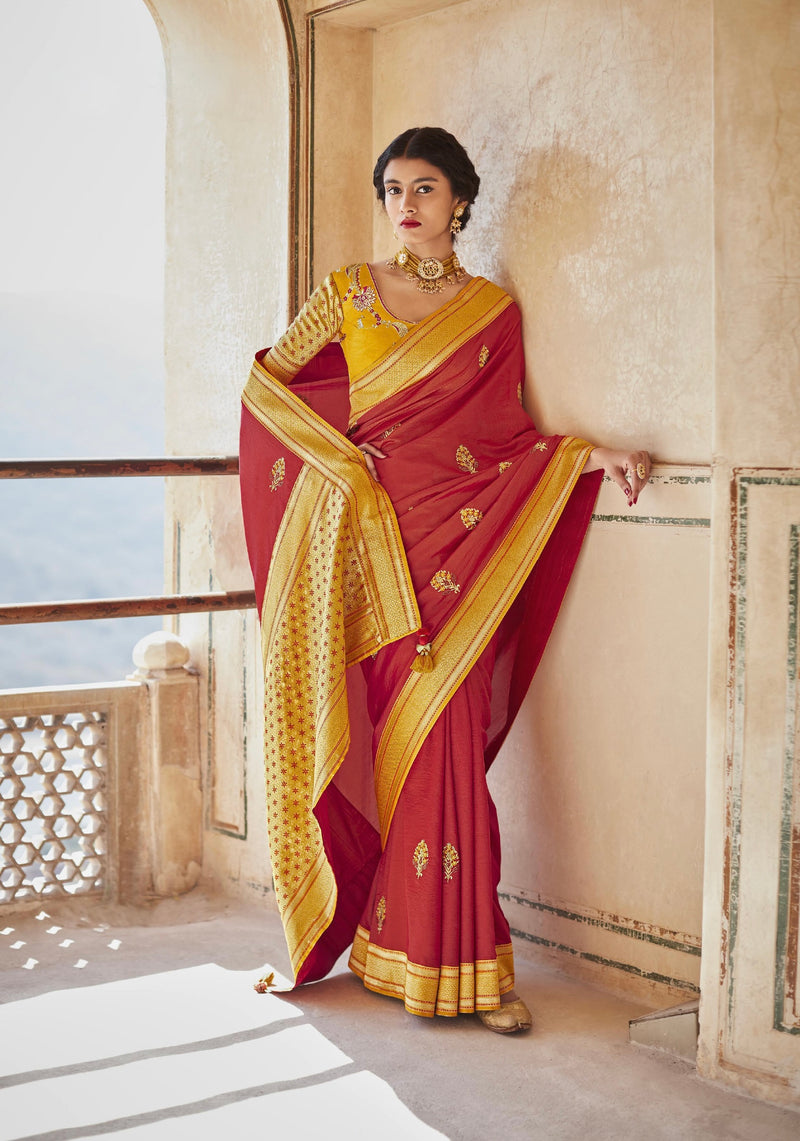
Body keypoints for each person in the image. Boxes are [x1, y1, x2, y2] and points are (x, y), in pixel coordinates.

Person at [239, 127, 650, 1034]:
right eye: (392, 189)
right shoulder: (346, 291)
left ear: (460, 200)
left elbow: (505, 439)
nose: (406, 205)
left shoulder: (492, 312)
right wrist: (339, 466)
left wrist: (592, 454)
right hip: (372, 551)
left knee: (449, 736)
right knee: (387, 735)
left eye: (424, 188)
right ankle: (401, 946)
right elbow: (267, 390)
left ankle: (461, 963)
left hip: (456, 550)